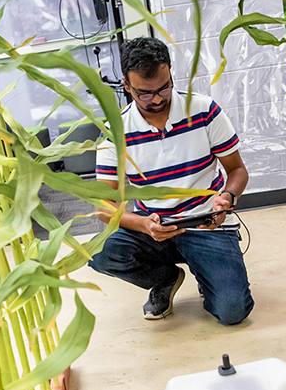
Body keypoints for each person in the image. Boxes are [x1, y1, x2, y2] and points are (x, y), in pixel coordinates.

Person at [89, 37, 253, 325]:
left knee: (232, 312)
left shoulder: (204, 111)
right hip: (152, 226)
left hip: (205, 222)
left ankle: (208, 274)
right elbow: (103, 207)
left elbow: (237, 170)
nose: (156, 98)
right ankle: (164, 278)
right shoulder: (115, 131)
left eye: (164, 87)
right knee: (99, 252)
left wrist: (227, 198)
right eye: (144, 92)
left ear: (170, 72)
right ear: (126, 85)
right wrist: (143, 225)